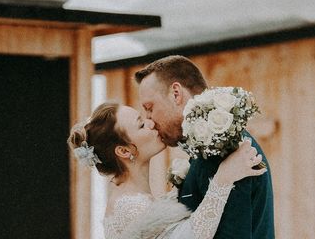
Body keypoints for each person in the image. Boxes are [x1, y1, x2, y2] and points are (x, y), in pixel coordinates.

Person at [68, 101, 266, 239]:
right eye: (141, 124)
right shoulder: (129, 206)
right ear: (124, 150)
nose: (151, 123)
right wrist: (223, 178)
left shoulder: (130, 197)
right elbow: (191, 236)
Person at [135, 55, 275, 239]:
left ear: (176, 93)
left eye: (149, 108)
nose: (149, 121)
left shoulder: (224, 149)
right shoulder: (207, 148)